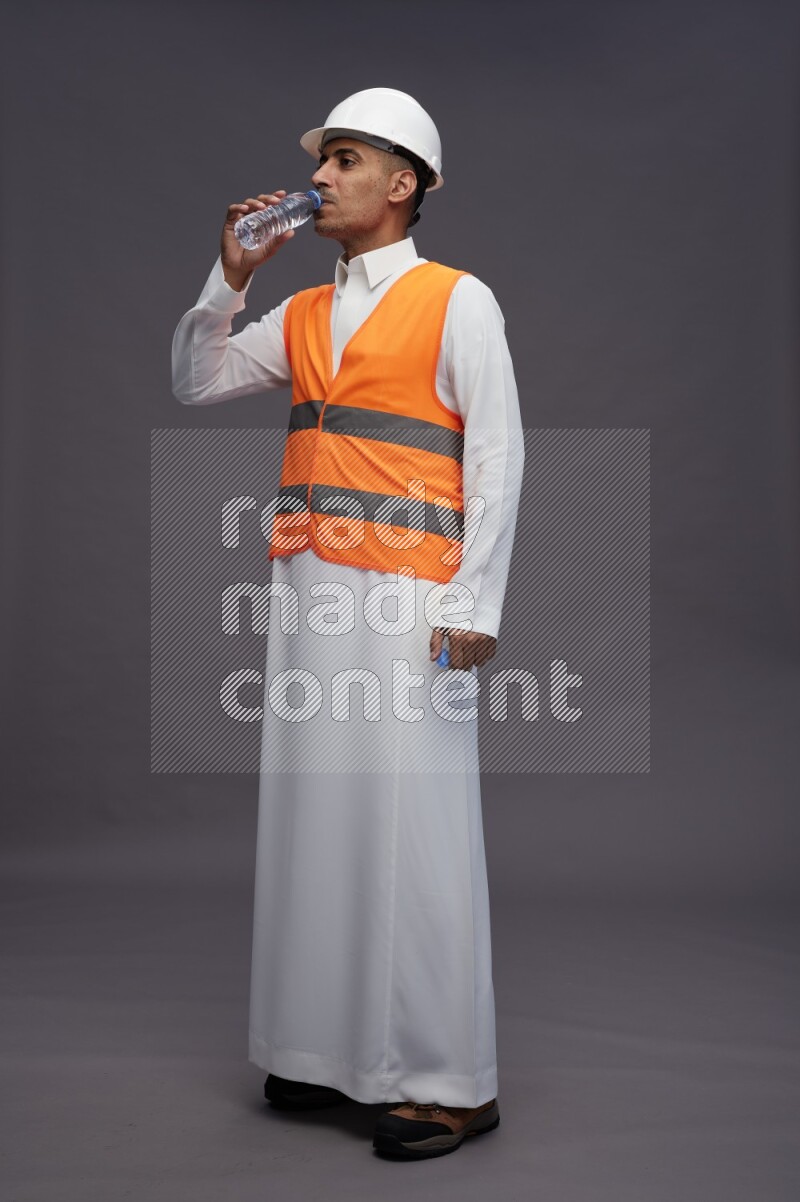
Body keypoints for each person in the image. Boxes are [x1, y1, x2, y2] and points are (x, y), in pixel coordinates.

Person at [171, 87, 525, 1160]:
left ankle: (448, 1079)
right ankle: (326, 1052)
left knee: (415, 829)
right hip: (313, 594)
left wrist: (475, 606)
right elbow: (195, 380)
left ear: (401, 182)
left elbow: (497, 458)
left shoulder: (457, 300)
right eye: (321, 162)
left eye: (344, 160)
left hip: (417, 599)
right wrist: (228, 280)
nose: (318, 179)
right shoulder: (305, 314)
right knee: (316, 816)